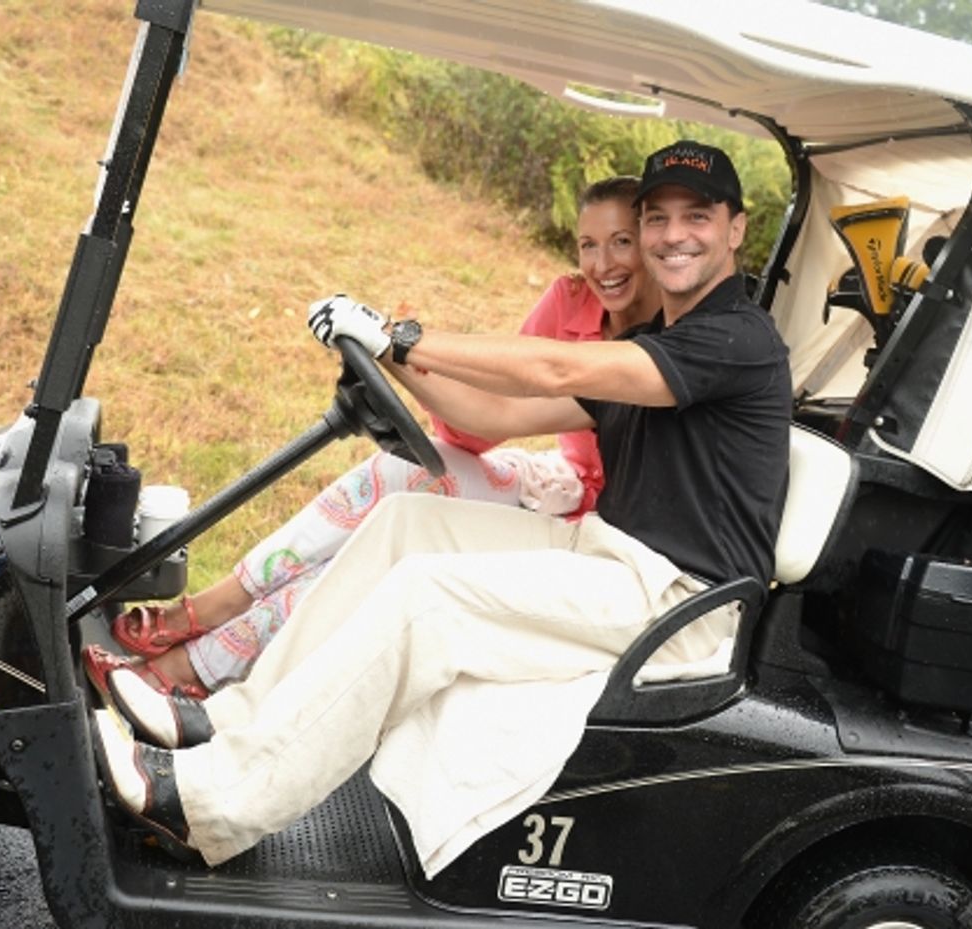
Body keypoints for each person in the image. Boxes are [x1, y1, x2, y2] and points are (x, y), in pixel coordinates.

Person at [89, 140, 792, 875]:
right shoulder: (660, 342)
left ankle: (213, 803)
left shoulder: (736, 341)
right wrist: (391, 361)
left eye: (697, 217)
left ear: (736, 229)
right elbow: (491, 415)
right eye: (659, 218)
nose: (674, 235)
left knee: (427, 598)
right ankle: (227, 719)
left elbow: (554, 363)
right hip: (607, 555)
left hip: (679, 605)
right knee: (404, 523)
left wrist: (404, 334)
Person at [83, 176, 661, 697]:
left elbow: (497, 417)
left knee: (381, 550)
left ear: (652, 243)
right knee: (392, 478)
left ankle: (196, 667)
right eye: (589, 244)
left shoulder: (652, 354)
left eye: (621, 242)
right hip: (554, 479)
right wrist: (392, 358)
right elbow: (474, 421)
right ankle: (213, 610)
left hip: (593, 529)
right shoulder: (571, 301)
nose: (602, 263)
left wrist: (394, 349)